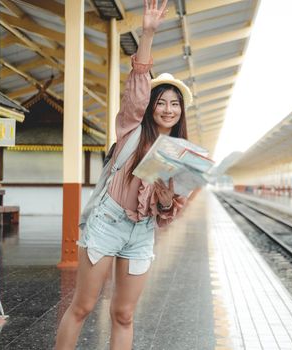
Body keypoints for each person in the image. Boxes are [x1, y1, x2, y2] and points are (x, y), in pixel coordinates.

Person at [55, 1, 191, 348]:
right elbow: (139, 78)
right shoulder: (133, 125)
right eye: (162, 101)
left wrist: (171, 200)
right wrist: (147, 32)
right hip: (107, 222)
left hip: (141, 232)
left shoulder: (179, 154)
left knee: (124, 314)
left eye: (175, 104)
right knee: (82, 307)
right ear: (151, 105)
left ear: (181, 112)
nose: (168, 109)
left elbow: (167, 212)